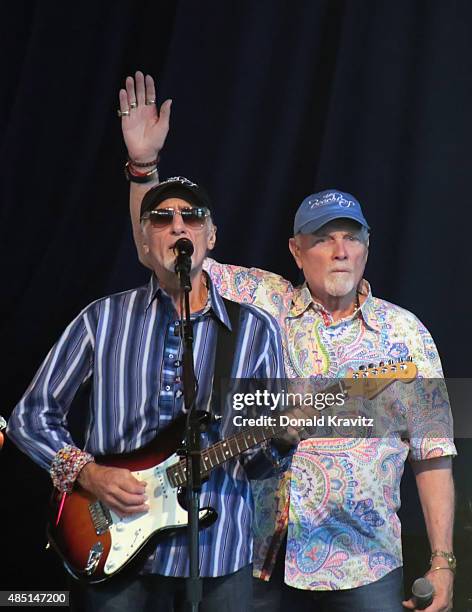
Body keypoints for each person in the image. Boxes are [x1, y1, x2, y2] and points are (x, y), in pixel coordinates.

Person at [120, 72, 456, 612]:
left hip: (364, 565)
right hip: (257, 563)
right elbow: (164, 258)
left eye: (352, 238)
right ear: (297, 252)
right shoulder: (261, 299)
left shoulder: (406, 334)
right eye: (324, 238)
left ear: (368, 249)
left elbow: (432, 453)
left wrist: (443, 561)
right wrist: (144, 169)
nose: (340, 250)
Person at [7, 174, 288, 612]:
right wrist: (87, 473)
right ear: (143, 240)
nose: (178, 226)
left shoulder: (255, 330)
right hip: (114, 551)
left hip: (217, 554)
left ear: (211, 236)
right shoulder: (102, 319)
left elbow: (257, 465)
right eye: (161, 218)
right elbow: (30, 416)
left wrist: (280, 439)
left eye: (192, 216)